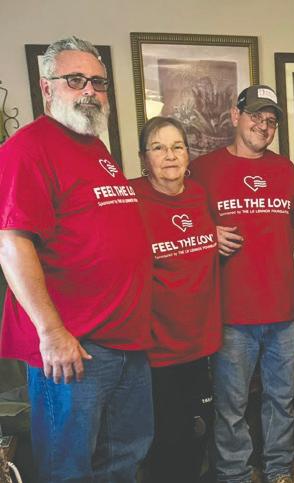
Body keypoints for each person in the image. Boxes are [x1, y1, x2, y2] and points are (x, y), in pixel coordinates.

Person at [0, 36, 153, 481]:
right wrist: (52, 333)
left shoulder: (94, 147)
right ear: (47, 87)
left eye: (98, 82)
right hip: (74, 347)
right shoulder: (28, 149)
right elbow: (12, 244)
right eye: (75, 80)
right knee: (68, 468)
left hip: (125, 339)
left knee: (125, 457)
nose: (89, 90)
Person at [191, 84, 294, 483]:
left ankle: (279, 470)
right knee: (230, 407)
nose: (263, 126)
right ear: (236, 116)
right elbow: (178, 221)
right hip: (232, 316)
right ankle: (234, 474)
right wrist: (207, 234)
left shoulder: (284, 169)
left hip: (282, 313)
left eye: (271, 120)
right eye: (255, 116)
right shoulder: (204, 169)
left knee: (280, 400)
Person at [132, 116, 222, 483]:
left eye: (177, 147)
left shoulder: (200, 195)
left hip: (200, 344)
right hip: (156, 349)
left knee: (199, 432)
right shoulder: (130, 198)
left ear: (188, 154)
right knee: (165, 441)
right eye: (158, 148)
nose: (169, 156)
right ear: (144, 158)